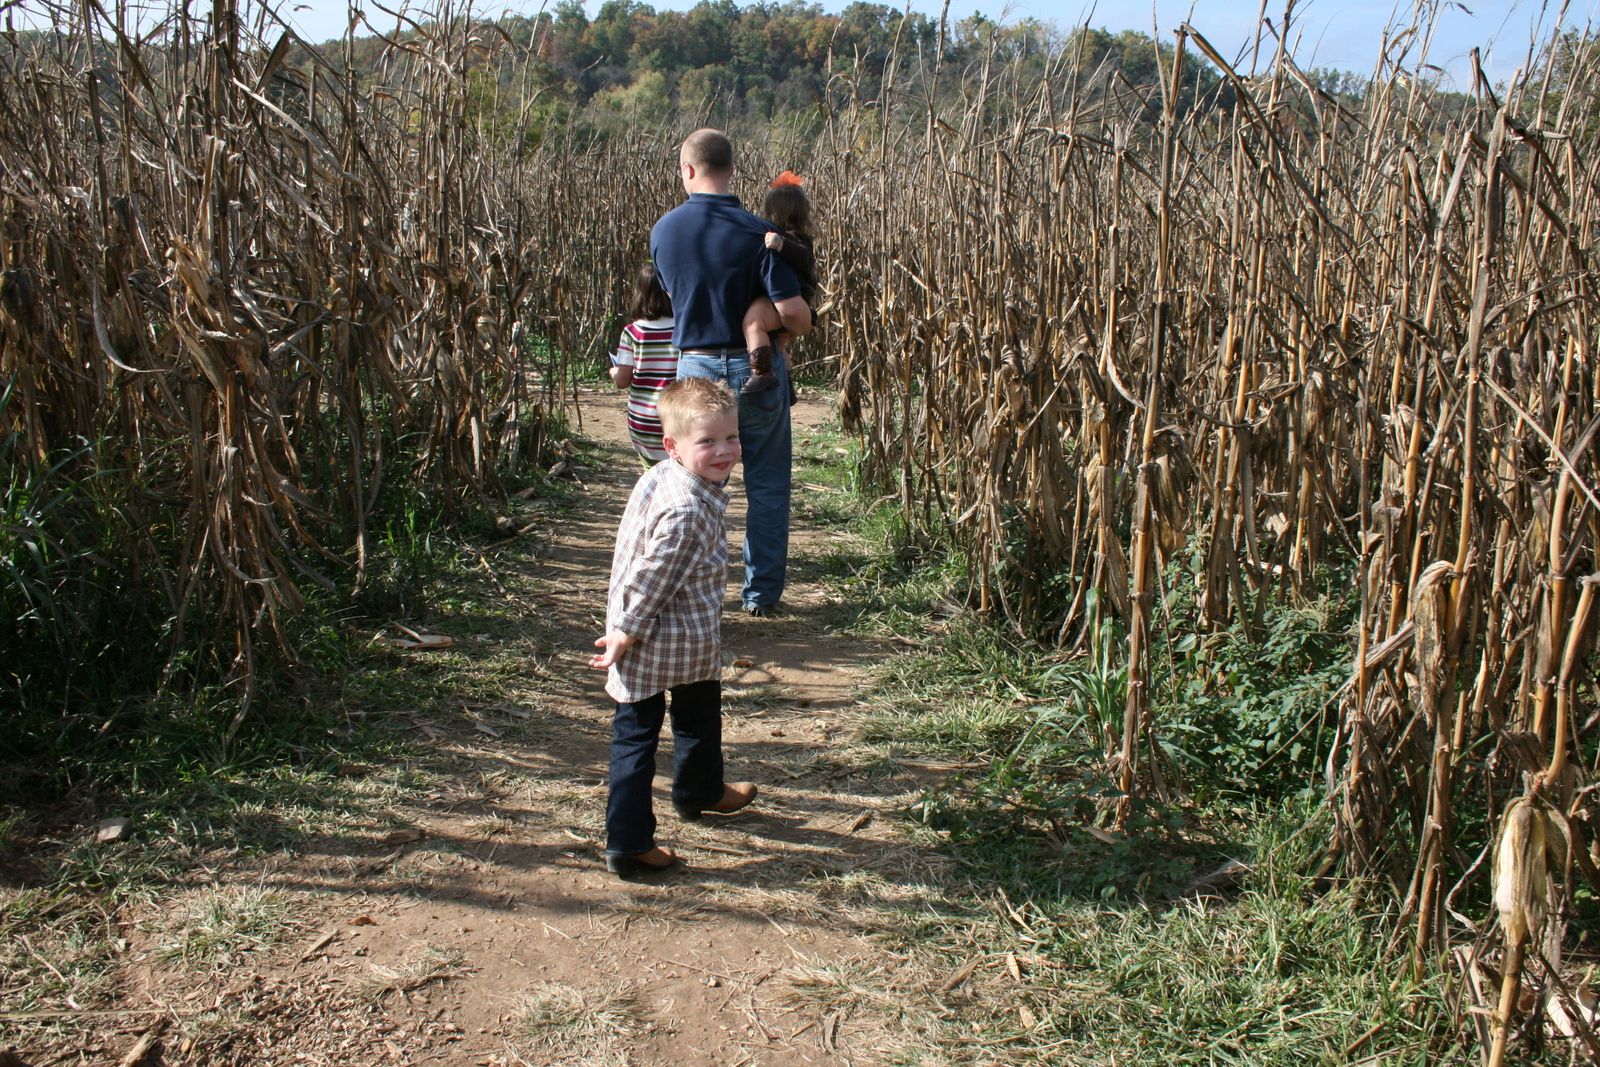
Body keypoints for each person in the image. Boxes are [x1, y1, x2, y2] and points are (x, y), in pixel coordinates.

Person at [588, 378, 759, 879]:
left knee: (698, 711)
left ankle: (699, 790)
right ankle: (629, 843)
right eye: (707, 441)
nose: (724, 450)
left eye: (730, 437)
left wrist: (623, 623)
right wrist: (626, 631)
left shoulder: (665, 475)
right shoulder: (689, 510)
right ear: (673, 445)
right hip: (660, 636)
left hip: (676, 636)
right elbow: (654, 577)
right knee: (638, 735)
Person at [650, 128, 812, 617]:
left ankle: (693, 594)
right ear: (732, 170)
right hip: (754, 369)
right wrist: (775, 325)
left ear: (688, 169)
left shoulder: (664, 232)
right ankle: (760, 596)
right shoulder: (759, 233)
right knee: (767, 487)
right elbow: (796, 314)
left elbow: (677, 296)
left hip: (696, 369)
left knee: (693, 490)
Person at [740, 170, 819, 395]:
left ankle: (761, 371)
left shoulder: (796, 240)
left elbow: (802, 256)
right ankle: (787, 384)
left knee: (753, 324)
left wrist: (780, 243)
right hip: (793, 301)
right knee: (779, 346)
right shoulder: (795, 237)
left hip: (791, 299)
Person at [608, 263, 679, 464]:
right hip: (678, 421)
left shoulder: (632, 333)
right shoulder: (683, 329)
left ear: (640, 294)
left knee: (652, 475)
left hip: (644, 422)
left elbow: (622, 380)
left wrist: (613, 371)